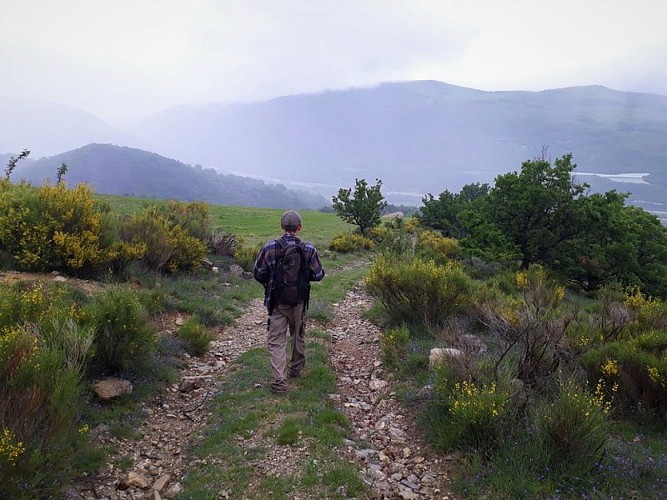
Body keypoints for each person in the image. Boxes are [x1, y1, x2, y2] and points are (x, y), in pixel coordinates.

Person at [253, 210, 325, 394]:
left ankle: (279, 382)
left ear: (282, 227)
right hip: (299, 302)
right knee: (297, 335)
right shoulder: (309, 249)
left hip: (277, 302)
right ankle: (296, 369)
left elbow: (258, 272)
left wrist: (271, 283)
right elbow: (319, 275)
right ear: (299, 228)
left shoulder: (270, 247)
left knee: (276, 341)